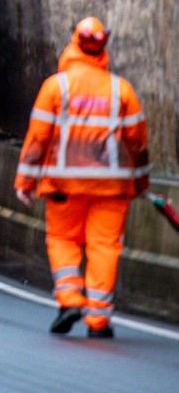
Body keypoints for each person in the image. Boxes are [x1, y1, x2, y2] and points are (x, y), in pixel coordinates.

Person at [14, 17, 150, 339]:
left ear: (74, 42)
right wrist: (140, 184)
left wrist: (25, 182)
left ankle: (70, 300)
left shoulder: (56, 87)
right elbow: (138, 143)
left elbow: (37, 139)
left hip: (64, 187)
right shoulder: (121, 90)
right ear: (104, 48)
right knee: (105, 247)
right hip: (111, 188)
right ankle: (98, 321)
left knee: (62, 240)